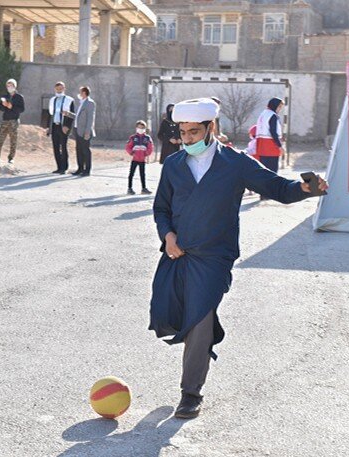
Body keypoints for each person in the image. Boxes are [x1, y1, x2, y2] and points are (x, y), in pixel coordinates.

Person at [150, 97, 328, 419]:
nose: (187, 139)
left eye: (194, 132)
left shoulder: (236, 164)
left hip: (215, 257)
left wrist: (305, 189)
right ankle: (196, 358)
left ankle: (190, 393)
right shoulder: (174, 165)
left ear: (211, 127)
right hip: (178, 255)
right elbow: (161, 208)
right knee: (173, 314)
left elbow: (279, 188)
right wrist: (168, 236)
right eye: (183, 132)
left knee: (200, 317)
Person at [0, 78, 25, 164]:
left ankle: (11, 158)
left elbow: (22, 109)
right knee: (0, 138)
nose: (9, 87)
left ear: (15, 86)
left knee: (13, 140)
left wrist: (12, 107)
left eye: (11, 85)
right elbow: (0, 108)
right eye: (8, 85)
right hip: (5, 120)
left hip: (14, 120)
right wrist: (4, 105)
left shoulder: (19, 97)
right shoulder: (5, 96)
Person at [47, 81, 75, 174]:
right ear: (55, 89)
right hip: (55, 126)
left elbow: (72, 115)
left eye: (61, 88)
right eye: (57, 89)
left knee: (63, 146)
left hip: (63, 127)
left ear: (64, 89)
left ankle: (64, 167)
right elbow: (50, 114)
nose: (59, 90)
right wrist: (48, 127)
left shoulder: (69, 100)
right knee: (55, 147)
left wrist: (67, 126)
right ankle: (59, 167)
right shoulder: (52, 100)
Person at [256, 97, 285, 175]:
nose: (280, 109)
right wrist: (280, 146)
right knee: (272, 172)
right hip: (271, 147)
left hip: (261, 146)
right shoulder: (272, 115)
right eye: (279, 107)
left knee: (263, 171)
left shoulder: (263, 114)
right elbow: (273, 132)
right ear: (274, 105)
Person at [125, 120, 154, 195]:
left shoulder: (147, 138)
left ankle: (143, 188)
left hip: (142, 159)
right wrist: (131, 152)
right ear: (136, 128)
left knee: (142, 174)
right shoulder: (133, 137)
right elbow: (128, 146)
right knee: (131, 173)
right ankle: (129, 188)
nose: (140, 129)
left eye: (142, 127)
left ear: (145, 128)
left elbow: (150, 147)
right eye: (139, 127)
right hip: (135, 159)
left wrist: (146, 153)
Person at [72, 86, 96, 177]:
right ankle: (80, 168)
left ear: (84, 93)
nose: (79, 94)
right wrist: (69, 114)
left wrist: (87, 132)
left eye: (80, 92)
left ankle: (87, 170)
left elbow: (90, 118)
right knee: (79, 149)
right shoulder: (80, 103)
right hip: (77, 129)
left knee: (85, 150)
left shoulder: (90, 103)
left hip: (84, 131)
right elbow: (78, 116)